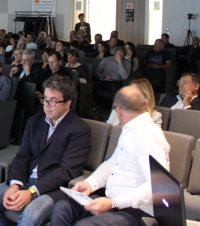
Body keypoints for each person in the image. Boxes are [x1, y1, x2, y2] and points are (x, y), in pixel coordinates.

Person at [0, 75, 92, 226]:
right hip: (26, 181)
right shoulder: (35, 121)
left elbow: (67, 171)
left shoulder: (80, 130)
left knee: (30, 217)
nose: (47, 105)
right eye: (45, 99)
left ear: (67, 104)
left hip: (54, 189)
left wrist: (31, 192)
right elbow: (23, 156)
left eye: (53, 100)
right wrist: (15, 185)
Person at [51, 85, 170, 226]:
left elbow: (157, 186)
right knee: (63, 208)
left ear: (118, 110)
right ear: (146, 104)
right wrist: (91, 183)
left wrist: (113, 203)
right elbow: (113, 162)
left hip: (135, 210)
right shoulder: (130, 128)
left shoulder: (147, 135)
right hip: (113, 201)